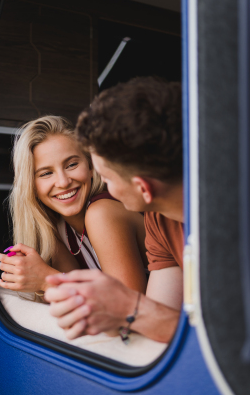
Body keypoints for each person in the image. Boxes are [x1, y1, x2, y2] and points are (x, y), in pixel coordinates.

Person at [44, 78, 184, 343]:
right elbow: (157, 325)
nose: (103, 188)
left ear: (143, 188)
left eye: (106, 179)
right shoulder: (158, 218)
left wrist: (127, 309)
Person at [0, 116, 148, 302]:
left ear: (91, 167)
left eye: (72, 165)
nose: (63, 181)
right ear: (32, 187)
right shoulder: (57, 228)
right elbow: (75, 298)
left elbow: (129, 307)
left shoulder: (102, 212)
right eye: (46, 173)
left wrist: (46, 280)